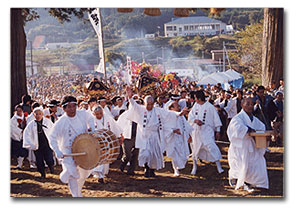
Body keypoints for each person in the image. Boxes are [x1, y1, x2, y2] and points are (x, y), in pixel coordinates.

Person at [48, 96, 95, 197]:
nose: (72, 109)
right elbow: (52, 137)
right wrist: (57, 150)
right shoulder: (61, 122)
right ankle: (76, 196)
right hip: (68, 152)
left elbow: (91, 118)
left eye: (74, 106)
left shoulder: (82, 114)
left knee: (82, 175)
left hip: (83, 149)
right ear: (64, 108)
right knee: (73, 174)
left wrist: (92, 128)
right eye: (69, 107)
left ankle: (77, 191)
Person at [126, 86, 177, 177]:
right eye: (148, 104)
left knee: (154, 154)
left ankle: (151, 170)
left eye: (151, 104)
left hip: (154, 136)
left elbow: (169, 114)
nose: (149, 106)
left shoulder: (158, 110)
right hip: (144, 136)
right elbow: (134, 105)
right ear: (144, 103)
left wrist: (179, 114)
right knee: (145, 153)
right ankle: (146, 168)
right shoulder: (141, 109)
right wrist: (130, 97)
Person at [227, 98, 269, 192]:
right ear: (242, 105)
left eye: (251, 104)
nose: (250, 106)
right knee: (240, 165)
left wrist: (264, 135)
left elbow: (261, 127)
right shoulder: (238, 118)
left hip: (252, 146)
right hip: (241, 146)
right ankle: (235, 178)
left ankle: (256, 182)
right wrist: (247, 129)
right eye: (248, 104)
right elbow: (235, 128)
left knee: (257, 162)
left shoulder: (255, 119)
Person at [188, 90, 224, 175]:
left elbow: (216, 119)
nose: (195, 99)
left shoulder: (210, 107)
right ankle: (194, 167)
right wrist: (195, 120)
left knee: (211, 147)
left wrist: (218, 130)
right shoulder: (195, 105)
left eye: (196, 98)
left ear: (200, 98)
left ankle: (219, 166)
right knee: (195, 149)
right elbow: (190, 117)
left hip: (207, 131)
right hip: (196, 131)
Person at [91, 105, 123, 183]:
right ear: (94, 114)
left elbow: (115, 127)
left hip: (107, 142)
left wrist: (119, 136)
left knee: (105, 158)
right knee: (98, 157)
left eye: (100, 113)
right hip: (96, 142)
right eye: (97, 114)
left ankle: (102, 173)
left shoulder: (108, 118)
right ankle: (99, 175)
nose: (99, 115)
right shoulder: (91, 120)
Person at [23, 107, 54, 178]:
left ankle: (51, 167)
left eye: (40, 114)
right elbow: (27, 134)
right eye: (36, 114)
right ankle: (42, 174)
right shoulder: (31, 124)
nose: (38, 116)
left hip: (46, 144)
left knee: (49, 158)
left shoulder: (47, 122)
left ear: (42, 114)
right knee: (39, 161)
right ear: (34, 115)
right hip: (37, 145)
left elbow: (53, 130)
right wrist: (31, 144)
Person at [167, 102, 193, 177]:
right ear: (171, 108)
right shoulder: (169, 115)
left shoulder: (181, 116)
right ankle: (176, 170)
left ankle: (180, 166)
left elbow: (186, 125)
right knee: (175, 155)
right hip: (173, 137)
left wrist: (189, 135)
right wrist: (174, 131)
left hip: (182, 138)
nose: (178, 107)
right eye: (176, 106)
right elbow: (166, 127)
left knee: (183, 154)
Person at [117, 101, 143, 176]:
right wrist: (120, 136)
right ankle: (122, 165)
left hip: (137, 137)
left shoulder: (140, 115)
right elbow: (119, 126)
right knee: (127, 155)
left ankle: (131, 170)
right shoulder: (124, 115)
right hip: (127, 138)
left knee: (135, 154)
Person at [11, 104, 28, 170]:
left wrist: (25, 130)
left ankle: (21, 163)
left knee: (24, 150)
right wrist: (20, 131)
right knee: (18, 151)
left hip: (25, 136)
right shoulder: (13, 119)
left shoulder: (26, 117)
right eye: (17, 111)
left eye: (20, 110)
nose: (19, 112)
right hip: (18, 137)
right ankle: (19, 164)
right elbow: (13, 128)